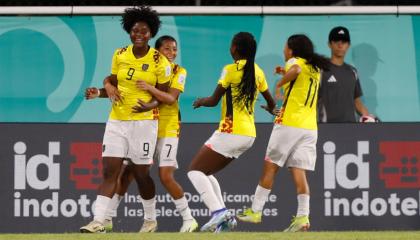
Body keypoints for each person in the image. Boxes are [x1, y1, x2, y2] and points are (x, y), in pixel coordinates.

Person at [85, 35, 199, 233]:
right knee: (127, 173)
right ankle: (107, 218)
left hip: (167, 128)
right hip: (142, 126)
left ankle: (188, 219)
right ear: (157, 52)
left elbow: (170, 99)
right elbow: (122, 87)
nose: (172, 53)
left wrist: (150, 88)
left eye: (174, 49)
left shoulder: (179, 71)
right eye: (167, 49)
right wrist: (103, 89)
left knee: (165, 175)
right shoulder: (145, 67)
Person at [80, 5, 171, 233]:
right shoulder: (120, 54)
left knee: (141, 175)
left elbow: (164, 96)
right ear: (128, 31)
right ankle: (98, 221)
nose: (138, 35)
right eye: (134, 31)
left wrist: (149, 105)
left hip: (145, 123)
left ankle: (150, 219)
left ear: (152, 33)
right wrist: (103, 90)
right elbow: (112, 81)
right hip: (117, 121)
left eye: (144, 32)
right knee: (110, 172)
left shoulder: (160, 61)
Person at [237, 34, 329, 232]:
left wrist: (279, 84)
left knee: (270, 167)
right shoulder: (315, 67)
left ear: (292, 49)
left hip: (289, 124)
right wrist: (283, 72)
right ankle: (303, 217)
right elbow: (300, 77)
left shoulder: (295, 62)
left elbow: (295, 70)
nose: (283, 50)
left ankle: (256, 211)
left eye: (285, 47)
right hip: (310, 128)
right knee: (299, 172)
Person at [188, 32, 276, 232]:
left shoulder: (230, 70)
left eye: (231, 45)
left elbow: (213, 101)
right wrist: (271, 109)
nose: (230, 48)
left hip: (231, 130)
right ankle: (225, 219)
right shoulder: (258, 71)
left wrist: (201, 101)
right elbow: (271, 102)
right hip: (249, 134)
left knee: (194, 171)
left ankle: (218, 212)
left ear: (235, 48)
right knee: (206, 172)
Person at [318, 26, 373, 123]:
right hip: (327, 128)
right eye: (336, 41)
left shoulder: (353, 71)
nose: (340, 45)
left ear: (348, 45)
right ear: (329, 44)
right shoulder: (320, 70)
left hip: (351, 128)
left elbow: (357, 101)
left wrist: (368, 117)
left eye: (344, 42)